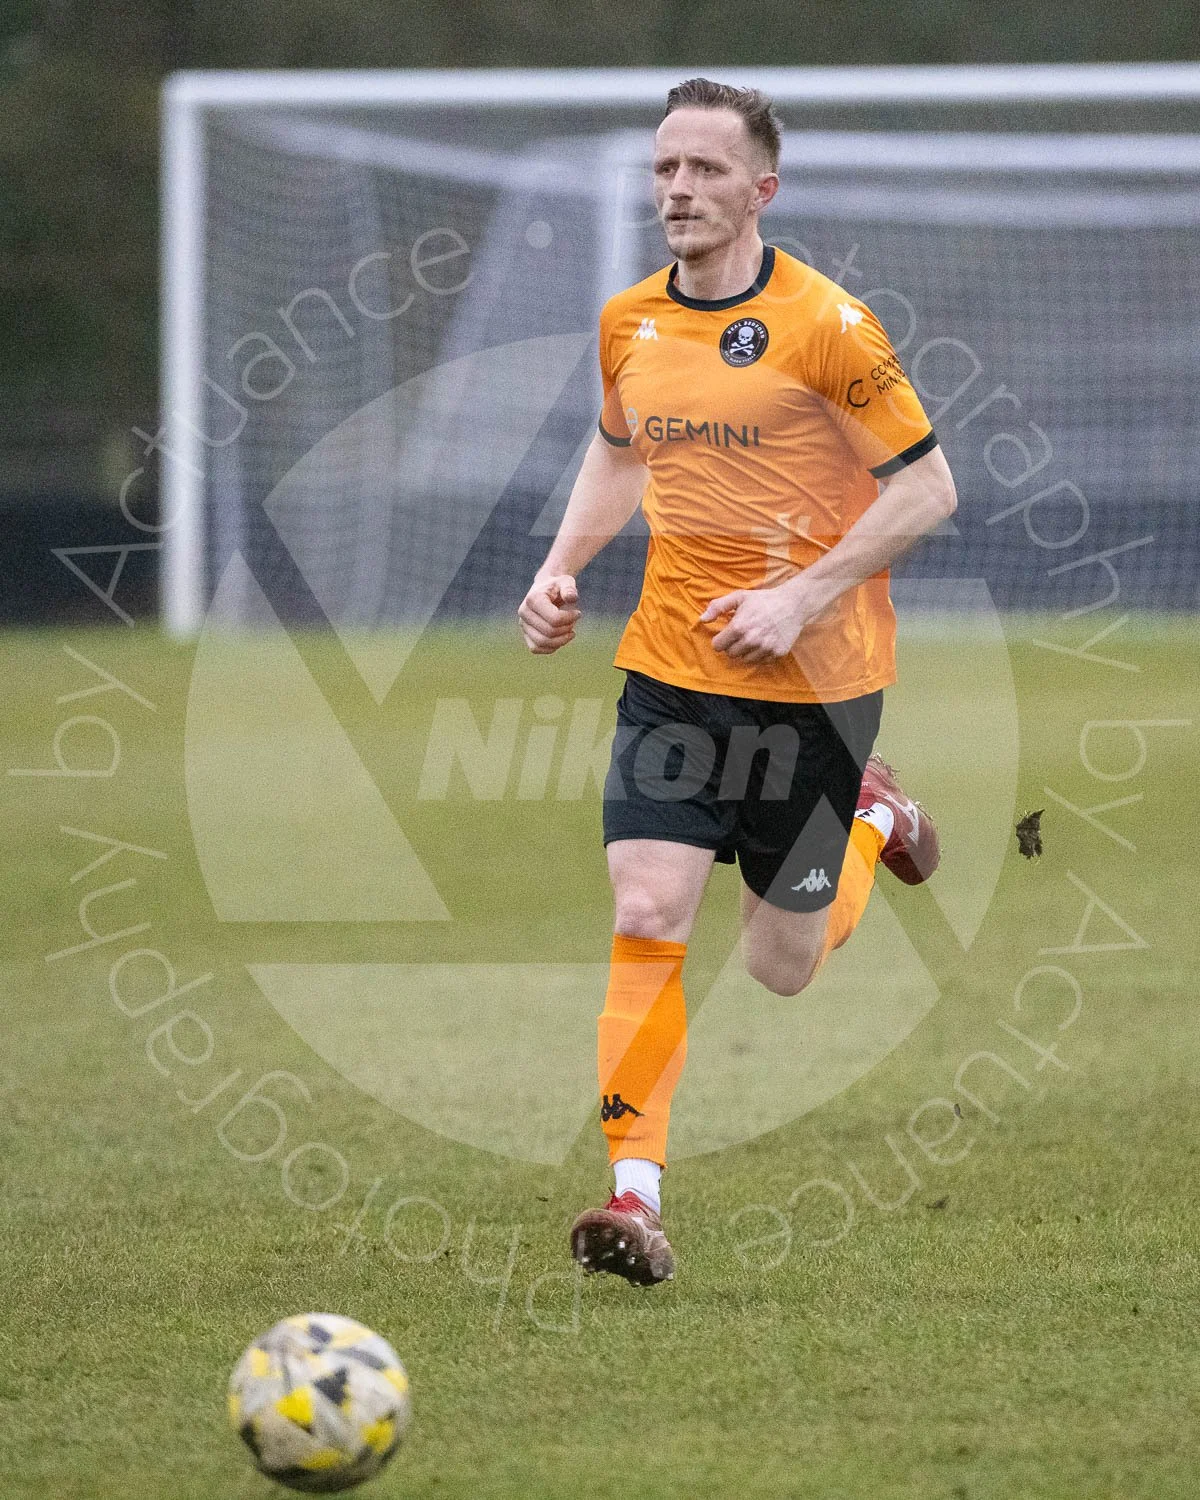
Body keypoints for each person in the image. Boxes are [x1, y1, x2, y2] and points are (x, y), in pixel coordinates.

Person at [517, 77, 956, 1286]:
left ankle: (873, 815)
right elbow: (618, 454)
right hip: (671, 671)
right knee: (649, 910)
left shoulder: (830, 326)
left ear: (761, 189)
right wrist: (559, 570)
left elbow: (929, 489)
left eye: (706, 170)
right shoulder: (629, 323)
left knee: (782, 965)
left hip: (818, 683)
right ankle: (633, 1199)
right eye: (667, 168)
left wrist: (802, 594)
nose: (679, 189)